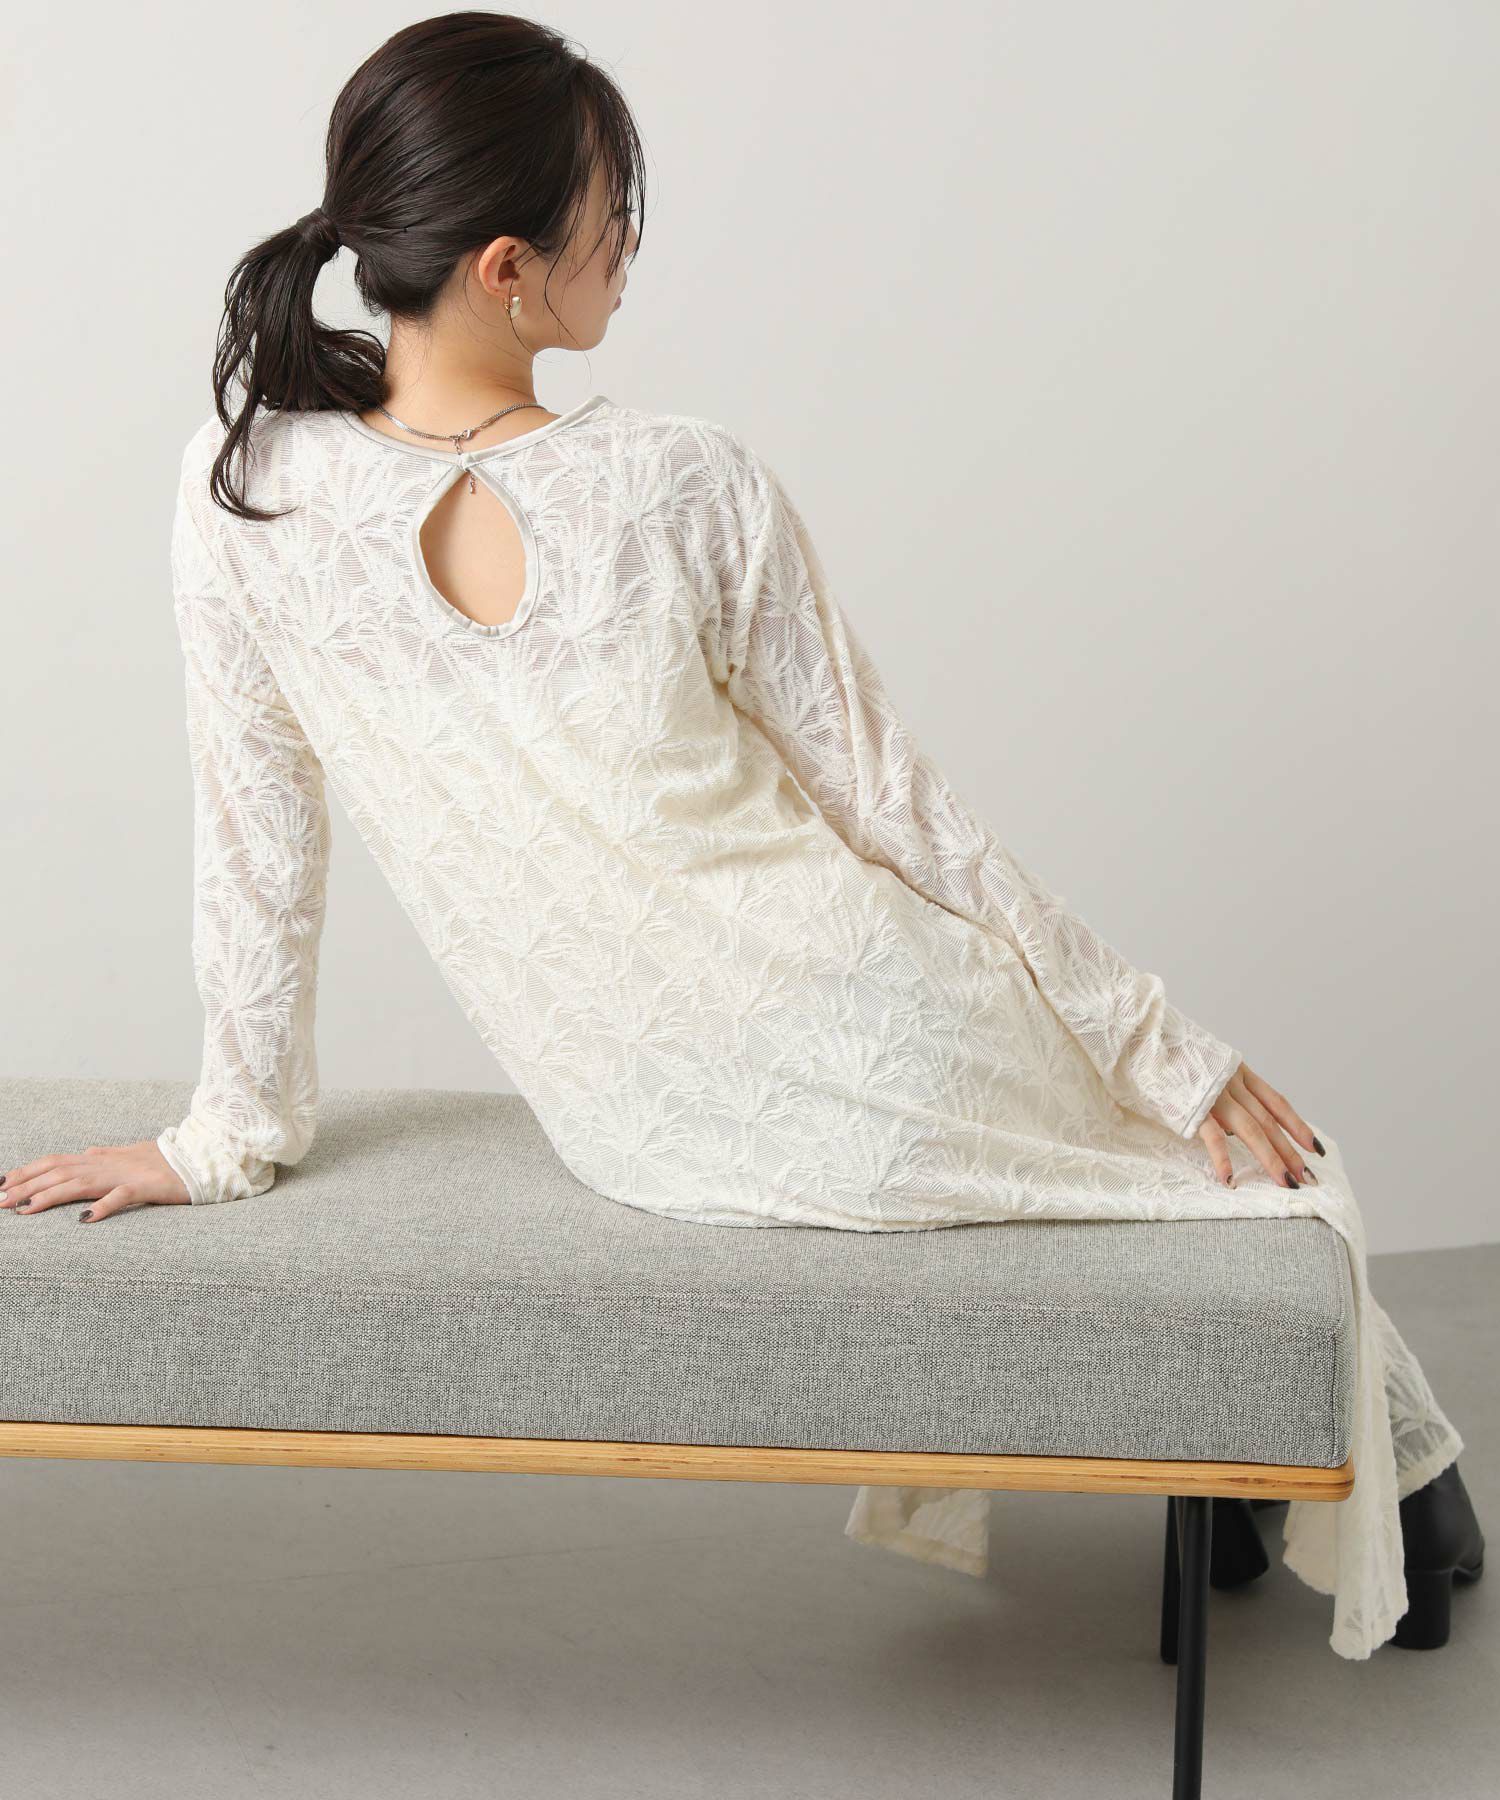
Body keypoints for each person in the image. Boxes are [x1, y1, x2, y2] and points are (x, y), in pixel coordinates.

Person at [0, 11, 1481, 1659]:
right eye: (608, 216)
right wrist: (1160, 1039)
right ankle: (1403, 1491)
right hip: (874, 1034)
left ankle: (1270, 1468)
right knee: (1250, 1168)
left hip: (653, 1129)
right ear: (507, 268)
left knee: (1195, 1167)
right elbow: (901, 813)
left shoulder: (246, 488)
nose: (631, 245)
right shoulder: (681, 482)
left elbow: (257, 847)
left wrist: (228, 1135)